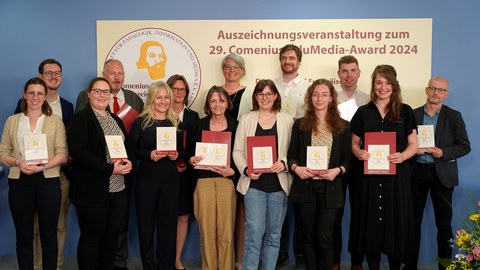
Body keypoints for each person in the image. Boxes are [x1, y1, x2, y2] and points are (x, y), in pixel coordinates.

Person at [76, 59, 144, 270]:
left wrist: (129, 162)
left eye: (106, 92)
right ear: (89, 94)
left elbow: (128, 146)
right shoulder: (81, 118)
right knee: (91, 237)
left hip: (117, 188)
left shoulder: (115, 119)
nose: (103, 95)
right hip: (92, 189)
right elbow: (79, 152)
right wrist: (109, 168)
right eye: (98, 91)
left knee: (110, 236)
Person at [349, 65, 418, 270]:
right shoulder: (363, 112)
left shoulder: (405, 111)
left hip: (395, 179)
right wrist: (358, 152)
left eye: (387, 83)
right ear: (373, 84)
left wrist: (402, 155)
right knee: (371, 225)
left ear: (394, 85)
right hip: (368, 180)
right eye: (378, 82)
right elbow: (354, 142)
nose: (383, 87)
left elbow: (414, 144)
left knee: (394, 224)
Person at [0, 77, 68, 270]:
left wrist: (43, 166)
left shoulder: (54, 121)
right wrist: (17, 162)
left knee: (49, 237)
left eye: (39, 93)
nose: (35, 97)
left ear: (45, 96)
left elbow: (62, 154)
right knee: (23, 238)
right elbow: (2, 153)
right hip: (20, 181)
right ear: (24, 95)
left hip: (48, 181)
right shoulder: (12, 121)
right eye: (31, 93)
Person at [13, 59, 74, 270]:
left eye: (58, 73)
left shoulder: (67, 106)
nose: (54, 76)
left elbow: (68, 141)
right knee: (33, 229)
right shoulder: (19, 114)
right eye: (49, 73)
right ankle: (36, 266)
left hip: (58, 173)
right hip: (25, 174)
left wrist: (61, 158)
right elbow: (14, 144)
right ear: (40, 76)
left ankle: (54, 266)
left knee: (57, 226)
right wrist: (21, 162)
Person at [287, 79, 351, 270]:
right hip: (305, 186)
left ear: (331, 98)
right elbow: (291, 157)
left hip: (330, 187)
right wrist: (297, 169)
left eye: (324, 94)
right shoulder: (300, 125)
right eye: (315, 94)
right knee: (307, 236)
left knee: (325, 236)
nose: (319, 98)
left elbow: (348, 161)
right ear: (310, 97)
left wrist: (338, 171)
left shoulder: (343, 126)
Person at [408, 77, 471, 270]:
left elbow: (464, 146)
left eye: (441, 90)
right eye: (433, 89)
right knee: (412, 223)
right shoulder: (412, 114)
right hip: (416, 172)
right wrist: (412, 149)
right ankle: (410, 265)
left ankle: (445, 266)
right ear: (427, 90)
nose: (436, 93)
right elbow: (404, 142)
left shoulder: (454, 116)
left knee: (444, 225)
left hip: (442, 175)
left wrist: (443, 152)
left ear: (446, 94)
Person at [233, 79, 294, 270]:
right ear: (255, 97)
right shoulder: (246, 119)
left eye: (269, 94)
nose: (265, 98)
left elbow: (292, 151)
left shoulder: (287, 120)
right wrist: (245, 170)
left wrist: (283, 163)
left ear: (275, 96)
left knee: (274, 235)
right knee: (253, 233)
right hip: (254, 186)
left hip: (279, 186)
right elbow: (237, 151)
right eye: (261, 94)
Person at [130, 81, 181, 269]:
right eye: (159, 97)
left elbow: (182, 151)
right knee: (146, 226)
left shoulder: (176, 121)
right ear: (151, 98)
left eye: (166, 97)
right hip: (147, 179)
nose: (163, 101)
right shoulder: (140, 122)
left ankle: (165, 266)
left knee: (168, 227)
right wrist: (149, 155)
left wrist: (177, 155)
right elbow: (132, 151)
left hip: (170, 179)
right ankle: (149, 266)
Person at [187, 86, 239, 270]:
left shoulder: (236, 125)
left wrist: (232, 171)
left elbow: (241, 156)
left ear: (228, 103)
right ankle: (208, 267)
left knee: (225, 231)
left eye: (221, 100)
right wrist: (191, 159)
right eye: (213, 100)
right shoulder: (198, 125)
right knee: (207, 231)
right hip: (203, 182)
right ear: (208, 104)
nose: (217, 104)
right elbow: (188, 153)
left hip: (226, 182)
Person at [274, 44, 310, 268]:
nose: (288, 61)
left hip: (299, 153)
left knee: (300, 208)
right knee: (279, 207)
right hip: (274, 153)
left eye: (292, 58)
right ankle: (280, 253)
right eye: (284, 58)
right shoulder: (270, 87)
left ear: (299, 62)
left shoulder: (308, 88)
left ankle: (301, 255)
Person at [334, 55, 369, 270]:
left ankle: (357, 263)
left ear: (359, 72)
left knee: (359, 216)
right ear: (338, 74)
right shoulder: (330, 99)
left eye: (352, 70)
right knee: (334, 216)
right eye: (344, 71)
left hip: (361, 163)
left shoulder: (368, 99)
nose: (348, 75)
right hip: (335, 164)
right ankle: (334, 262)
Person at [219, 52, 252, 269]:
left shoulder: (249, 94)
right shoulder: (214, 93)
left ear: (242, 70)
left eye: (236, 67)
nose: (231, 70)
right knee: (222, 210)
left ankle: (239, 259)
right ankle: (224, 260)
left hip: (240, 155)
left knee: (241, 210)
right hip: (219, 157)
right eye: (228, 66)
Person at [167, 74, 200, 270]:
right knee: (164, 216)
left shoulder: (193, 117)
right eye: (175, 89)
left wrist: (187, 162)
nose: (178, 93)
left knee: (183, 216)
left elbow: (196, 146)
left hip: (186, 174)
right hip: (163, 172)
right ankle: (164, 256)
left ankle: (177, 259)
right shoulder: (159, 113)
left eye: (182, 90)